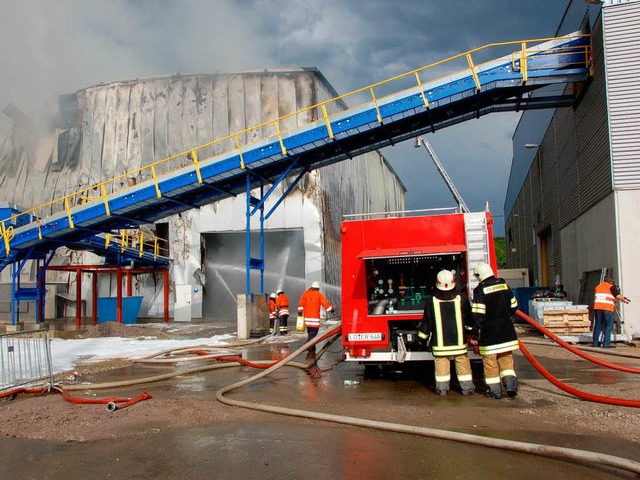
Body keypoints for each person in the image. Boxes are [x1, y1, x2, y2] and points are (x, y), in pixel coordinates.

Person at [418, 270, 475, 396]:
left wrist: (422, 339)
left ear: (437, 283)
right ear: (453, 282)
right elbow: (470, 319)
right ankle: (467, 389)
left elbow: (427, 322)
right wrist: (472, 333)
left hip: (440, 345)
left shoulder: (431, 301)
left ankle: (442, 390)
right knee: (462, 364)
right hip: (459, 343)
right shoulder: (462, 298)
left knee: (441, 365)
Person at [471, 262, 519, 399]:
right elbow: (514, 306)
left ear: (479, 276)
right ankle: (511, 387)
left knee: (490, 363)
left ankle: (495, 391)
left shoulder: (480, 290)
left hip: (489, 335)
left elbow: (478, 315)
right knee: (507, 362)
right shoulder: (504, 284)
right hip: (507, 332)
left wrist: (475, 333)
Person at [298, 281, 334, 355]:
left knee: (310, 333)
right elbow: (325, 303)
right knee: (313, 334)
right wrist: (331, 310)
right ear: (317, 288)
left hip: (307, 319)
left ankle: (313, 349)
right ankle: (307, 345)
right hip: (314, 319)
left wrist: (300, 312)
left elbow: (301, 304)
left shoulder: (305, 294)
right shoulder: (318, 294)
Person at [593, 275, 630, 348]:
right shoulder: (611, 287)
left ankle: (595, 343)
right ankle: (606, 344)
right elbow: (618, 296)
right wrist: (624, 300)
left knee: (598, 325)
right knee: (608, 326)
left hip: (598, 308)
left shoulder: (598, 286)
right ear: (610, 282)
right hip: (607, 308)